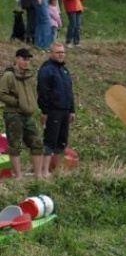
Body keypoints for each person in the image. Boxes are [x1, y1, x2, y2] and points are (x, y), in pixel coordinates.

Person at [0, 48, 46, 179]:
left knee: (37, 143)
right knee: (15, 144)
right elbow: (1, 93)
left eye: (28, 60)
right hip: (13, 114)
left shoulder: (29, 76)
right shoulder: (9, 75)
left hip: (28, 114)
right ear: (16, 59)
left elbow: (33, 92)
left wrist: (33, 104)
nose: (26, 62)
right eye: (24, 59)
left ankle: (38, 175)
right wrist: (17, 102)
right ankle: (18, 176)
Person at [37, 42, 76, 173]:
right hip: (53, 110)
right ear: (51, 53)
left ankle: (56, 168)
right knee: (50, 141)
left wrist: (72, 109)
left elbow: (69, 91)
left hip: (65, 110)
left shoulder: (64, 70)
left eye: (62, 52)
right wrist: (45, 111)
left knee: (62, 141)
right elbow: (43, 92)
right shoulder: (47, 70)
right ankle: (44, 170)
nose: (61, 55)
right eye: (58, 52)